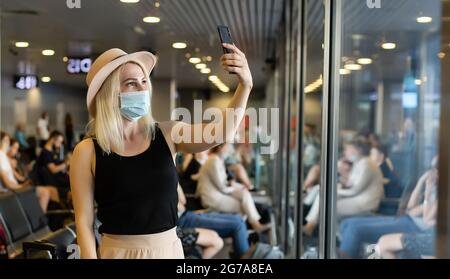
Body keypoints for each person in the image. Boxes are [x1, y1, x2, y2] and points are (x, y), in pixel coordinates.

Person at [70, 45, 253, 259]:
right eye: (131, 83)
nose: (141, 88)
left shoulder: (168, 134)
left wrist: (245, 84)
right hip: (116, 252)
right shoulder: (87, 151)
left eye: (144, 81)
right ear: (110, 93)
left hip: (168, 251)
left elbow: (219, 133)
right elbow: (84, 222)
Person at [338, 157, 438, 258]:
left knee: (354, 229)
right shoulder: (435, 188)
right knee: (346, 223)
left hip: (417, 228)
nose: (432, 172)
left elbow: (427, 219)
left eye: (436, 168)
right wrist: (421, 182)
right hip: (407, 219)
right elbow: (410, 209)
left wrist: (429, 192)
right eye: (432, 168)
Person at [303, 140, 384, 236]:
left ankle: (314, 226)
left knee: (328, 205)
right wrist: (342, 176)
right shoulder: (360, 163)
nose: (346, 152)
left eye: (348, 150)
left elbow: (355, 190)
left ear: (357, 150)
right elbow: (350, 184)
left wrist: (334, 190)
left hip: (365, 203)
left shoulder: (367, 165)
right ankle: (312, 226)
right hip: (357, 199)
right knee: (323, 195)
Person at [197, 144, 269, 231]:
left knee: (244, 194)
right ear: (220, 148)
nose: (228, 150)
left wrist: (240, 187)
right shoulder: (213, 161)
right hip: (213, 198)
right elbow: (222, 187)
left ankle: (251, 226)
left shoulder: (217, 160)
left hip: (218, 194)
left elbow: (225, 183)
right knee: (242, 207)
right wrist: (237, 188)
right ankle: (242, 230)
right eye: (227, 147)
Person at [177, 185, 250, 258]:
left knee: (238, 219)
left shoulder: (170, 179)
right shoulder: (167, 181)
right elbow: (181, 204)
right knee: (238, 225)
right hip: (182, 221)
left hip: (186, 215)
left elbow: (183, 203)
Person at [0, 132, 51, 212]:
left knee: (47, 191)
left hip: (13, 189)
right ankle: (38, 222)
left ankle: (39, 220)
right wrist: (23, 187)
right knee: (44, 192)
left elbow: (14, 178)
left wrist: (24, 183)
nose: (9, 143)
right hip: (9, 193)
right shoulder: (1, 157)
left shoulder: (3, 156)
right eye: (8, 140)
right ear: (4, 141)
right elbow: (7, 184)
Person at [36, 131, 70, 200]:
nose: (60, 145)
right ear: (53, 139)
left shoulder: (51, 151)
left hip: (57, 179)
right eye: (59, 142)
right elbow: (53, 169)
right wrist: (67, 163)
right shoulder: (45, 153)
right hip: (52, 183)